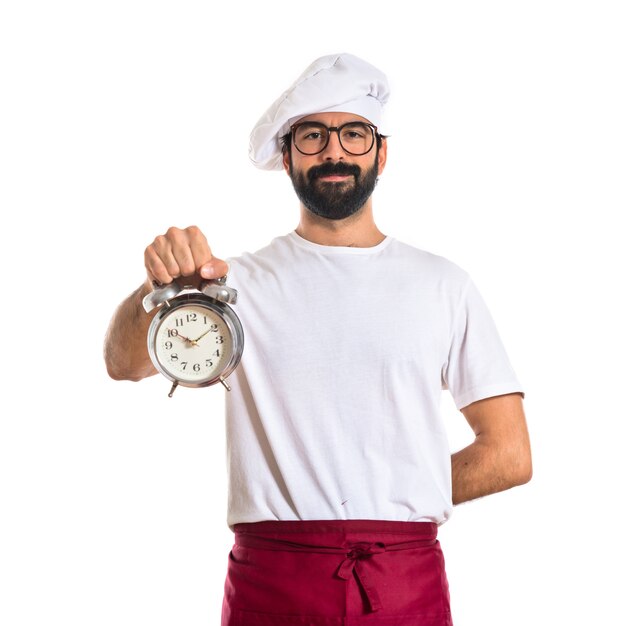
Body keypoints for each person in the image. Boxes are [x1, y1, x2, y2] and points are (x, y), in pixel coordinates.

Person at [104, 53, 532, 626]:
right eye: (312, 136)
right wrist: (154, 290)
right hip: (271, 584)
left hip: (403, 582)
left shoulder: (443, 285)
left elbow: (509, 454)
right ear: (287, 159)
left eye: (353, 134)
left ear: (380, 152)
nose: (334, 151)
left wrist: (390, 494)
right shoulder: (233, 285)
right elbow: (123, 363)